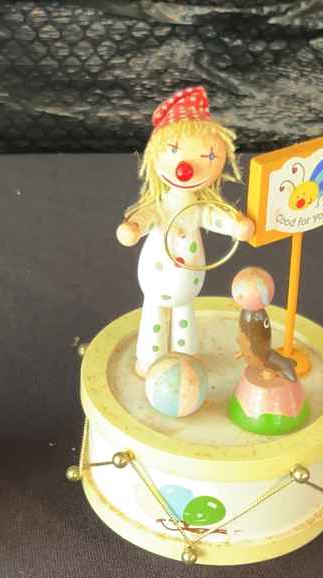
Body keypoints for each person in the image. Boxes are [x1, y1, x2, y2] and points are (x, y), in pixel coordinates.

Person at [116, 86, 255, 376]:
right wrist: (133, 228)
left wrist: (236, 225)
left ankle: (185, 360)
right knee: (153, 316)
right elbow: (145, 217)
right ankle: (149, 361)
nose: (185, 169)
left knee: (184, 317)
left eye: (206, 156)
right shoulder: (160, 205)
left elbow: (213, 216)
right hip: (155, 282)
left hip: (187, 286)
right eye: (173, 151)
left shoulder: (197, 207)